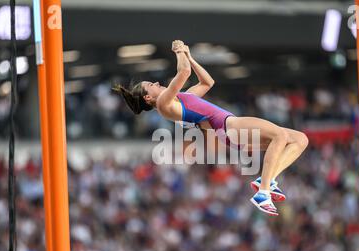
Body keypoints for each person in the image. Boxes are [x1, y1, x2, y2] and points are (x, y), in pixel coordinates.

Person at [113, 40, 308, 216]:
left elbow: (207, 82)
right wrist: (179, 51)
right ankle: (263, 190)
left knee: (300, 139)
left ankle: (266, 181)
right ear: (148, 98)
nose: (156, 82)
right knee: (280, 136)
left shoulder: (182, 98)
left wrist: (189, 56)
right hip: (229, 125)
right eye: (150, 84)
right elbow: (184, 72)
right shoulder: (164, 103)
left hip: (229, 129)